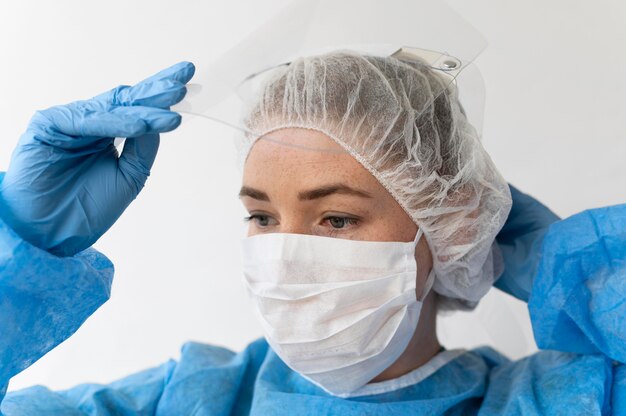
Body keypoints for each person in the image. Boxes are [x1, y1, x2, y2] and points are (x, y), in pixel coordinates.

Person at [0, 53, 624, 415]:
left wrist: (580, 274)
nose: (286, 257)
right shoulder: (194, 400)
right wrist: (19, 253)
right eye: (263, 217)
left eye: (336, 219)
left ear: (451, 223)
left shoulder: (555, 402)